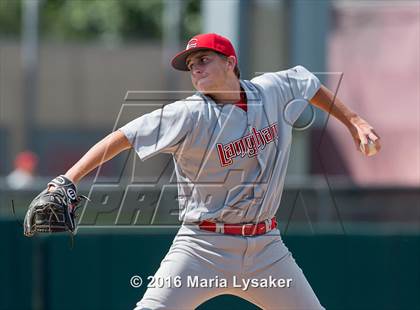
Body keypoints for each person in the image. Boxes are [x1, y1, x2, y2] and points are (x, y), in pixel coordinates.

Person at [47, 33, 381, 309]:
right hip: (203, 245)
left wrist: (354, 121)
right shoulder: (189, 114)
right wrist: (67, 179)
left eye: (204, 59)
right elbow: (123, 137)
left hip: (266, 247)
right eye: (191, 65)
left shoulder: (271, 89)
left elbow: (308, 84)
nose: (196, 69)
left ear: (231, 62)